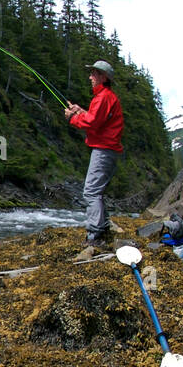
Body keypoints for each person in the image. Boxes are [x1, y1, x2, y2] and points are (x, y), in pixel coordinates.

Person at [65, 60, 124, 247]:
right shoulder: (105, 97)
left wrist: (72, 118)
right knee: (96, 191)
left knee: (91, 192)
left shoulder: (104, 97)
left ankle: (95, 235)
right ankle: (103, 228)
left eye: (94, 74)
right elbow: (94, 117)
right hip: (108, 150)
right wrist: (80, 111)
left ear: (103, 77)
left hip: (104, 150)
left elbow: (91, 123)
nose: (90, 77)